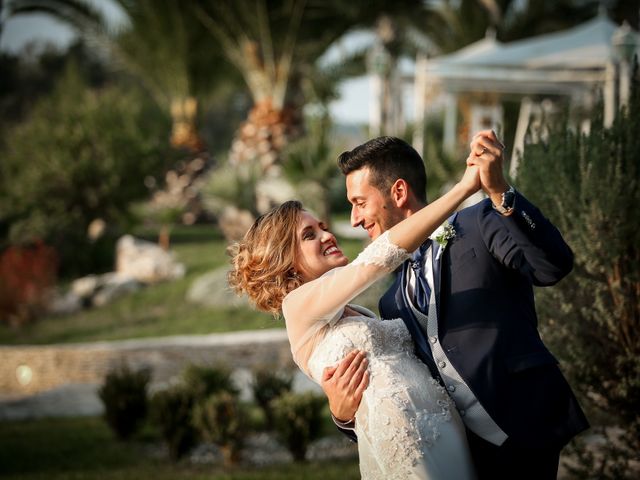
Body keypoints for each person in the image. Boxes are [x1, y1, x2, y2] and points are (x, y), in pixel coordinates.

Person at [321, 132, 589, 480]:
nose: (355, 219)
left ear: (398, 192)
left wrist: (499, 193)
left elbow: (553, 265)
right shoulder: (392, 298)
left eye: (360, 202)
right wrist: (342, 415)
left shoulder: (479, 223)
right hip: (461, 451)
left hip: (525, 422)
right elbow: (397, 392)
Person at [229, 163, 483, 479]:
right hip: (406, 446)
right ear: (287, 262)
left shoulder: (358, 314)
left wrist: (342, 416)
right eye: (309, 235)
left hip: (444, 430)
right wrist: (463, 189)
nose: (326, 235)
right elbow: (374, 262)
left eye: (322, 226)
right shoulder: (296, 306)